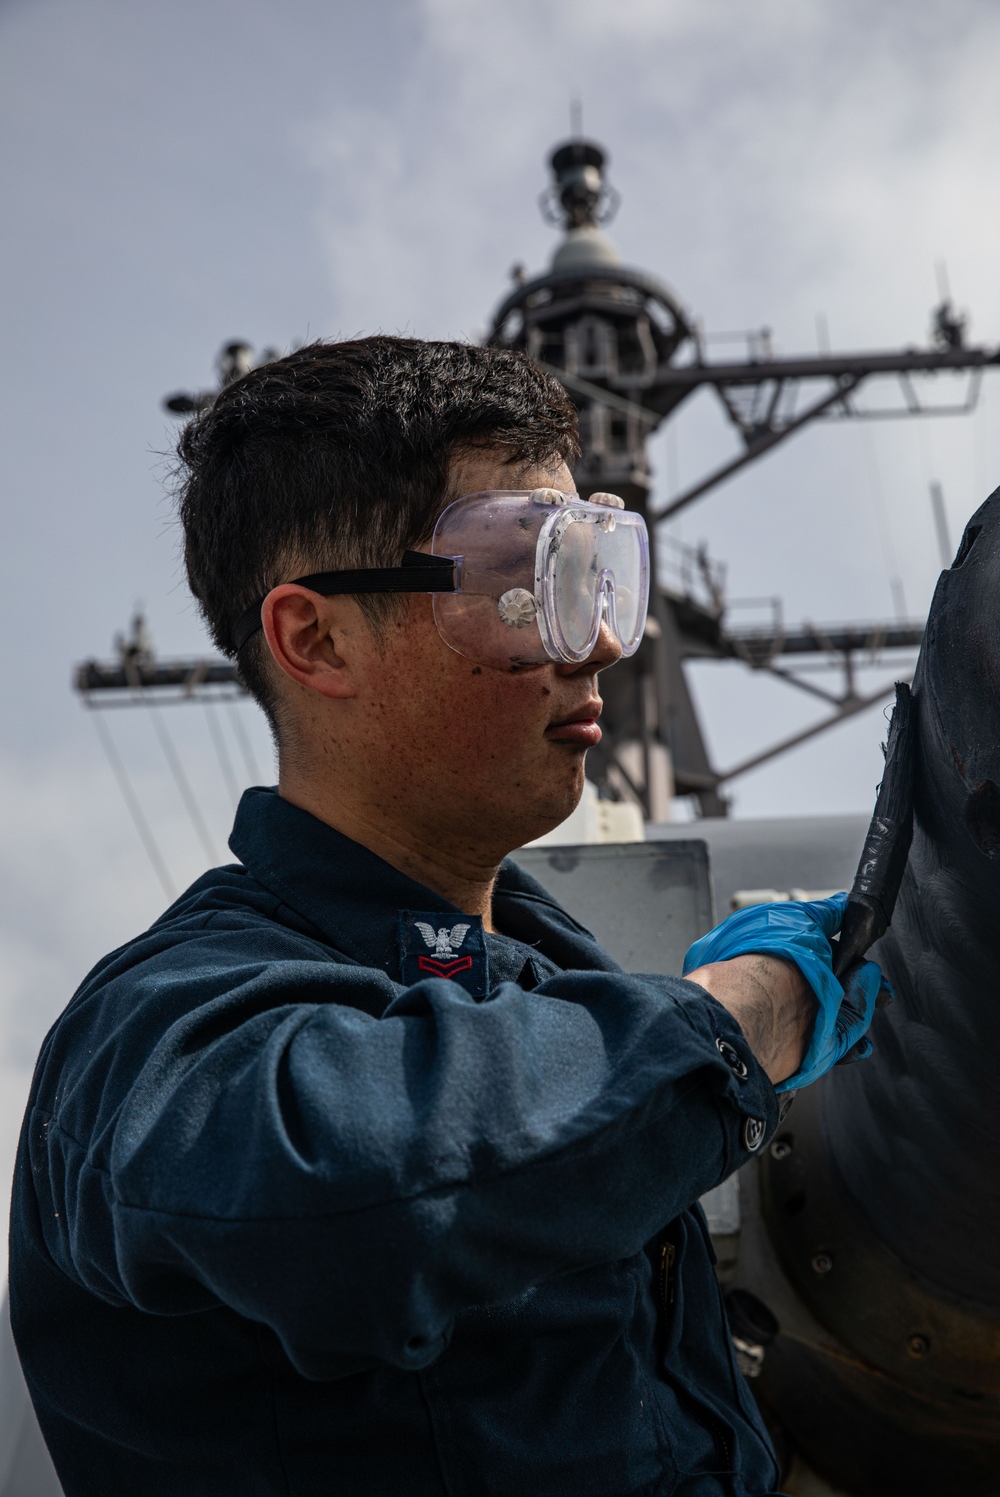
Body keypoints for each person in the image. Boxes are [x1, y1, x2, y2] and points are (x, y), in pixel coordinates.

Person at [8, 338, 881, 1496]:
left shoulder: (549, 993)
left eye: (597, 573)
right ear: (315, 638)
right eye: (527, 584)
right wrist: (741, 1017)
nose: (602, 640)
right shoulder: (158, 1028)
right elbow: (358, 1195)